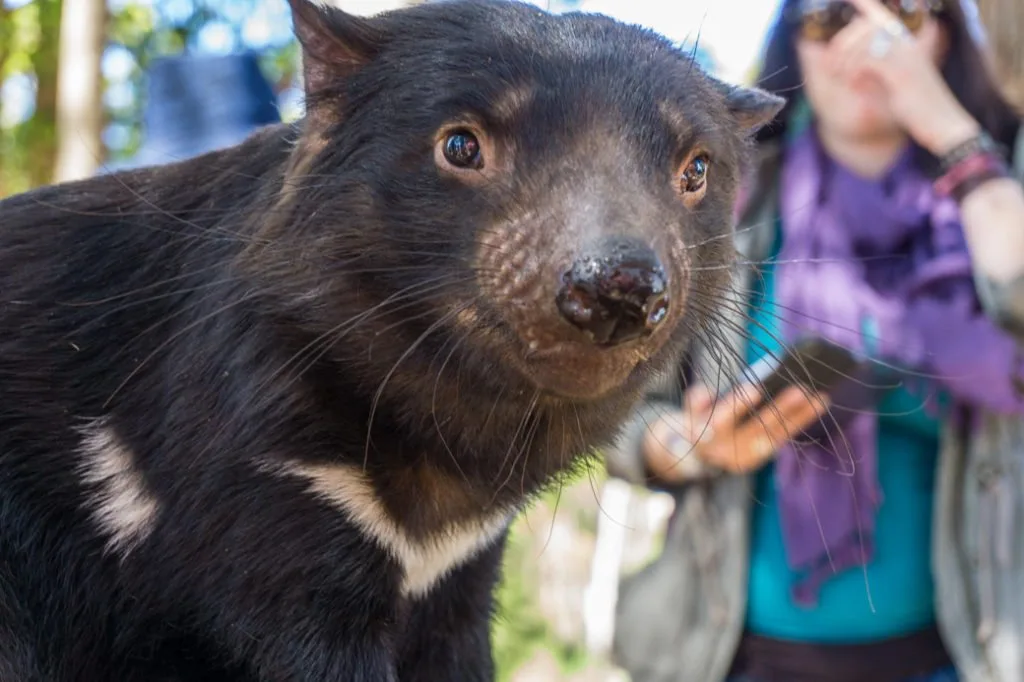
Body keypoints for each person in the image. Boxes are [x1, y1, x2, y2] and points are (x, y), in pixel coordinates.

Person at [606, 0, 1024, 681]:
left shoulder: (999, 196)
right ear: (793, 44)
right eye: (830, 16)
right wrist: (691, 446)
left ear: (949, 38)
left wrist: (953, 130)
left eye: (903, 15)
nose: (862, 42)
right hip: (731, 660)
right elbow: (615, 415)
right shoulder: (719, 205)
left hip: (956, 659)